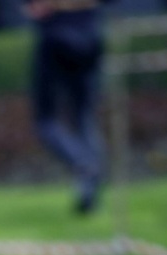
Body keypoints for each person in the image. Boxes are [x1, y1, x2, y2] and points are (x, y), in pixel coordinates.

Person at [25, 0, 106, 214]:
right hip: (90, 37)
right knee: (83, 116)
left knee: (46, 121)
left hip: (56, 40)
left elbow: (35, 10)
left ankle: (84, 165)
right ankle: (90, 179)